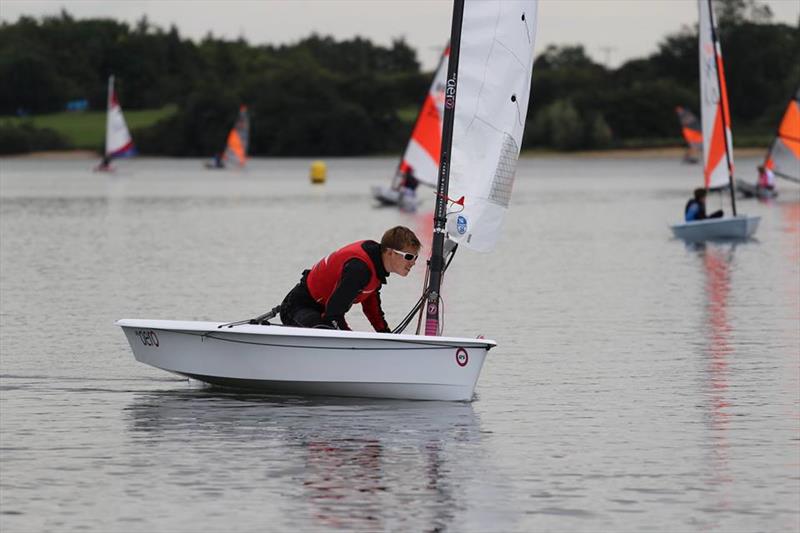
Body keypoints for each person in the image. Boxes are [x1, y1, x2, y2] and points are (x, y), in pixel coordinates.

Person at [279, 226, 422, 332]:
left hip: (322, 311)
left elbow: (372, 308)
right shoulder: (359, 269)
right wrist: (350, 338)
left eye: (415, 257)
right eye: (409, 256)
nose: (413, 262)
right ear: (390, 252)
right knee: (326, 331)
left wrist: (386, 335)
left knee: (332, 330)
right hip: (298, 307)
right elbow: (333, 315)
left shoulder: (376, 267)